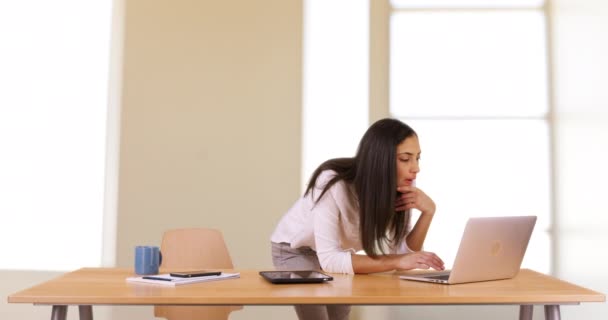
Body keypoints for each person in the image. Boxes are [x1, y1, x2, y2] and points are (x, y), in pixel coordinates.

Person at [270, 118, 445, 320]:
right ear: (380, 159)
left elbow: (401, 257)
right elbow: (331, 260)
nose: (416, 168)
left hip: (336, 252)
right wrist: (400, 259)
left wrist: (428, 213)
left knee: (339, 317)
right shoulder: (333, 182)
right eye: (406, 159)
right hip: (295, 248)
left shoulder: (401, 191)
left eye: (417, 158)